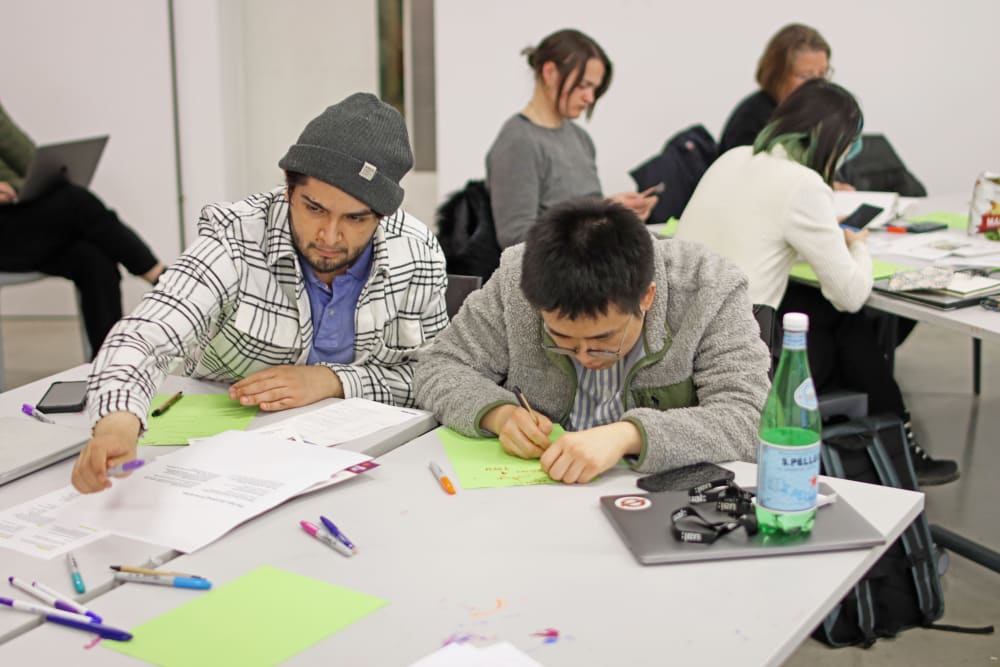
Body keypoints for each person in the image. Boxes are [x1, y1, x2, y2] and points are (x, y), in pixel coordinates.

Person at [72, 92, 448, 494]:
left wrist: (332, 381)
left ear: (382, 216)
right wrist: (116, 424)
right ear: (287, 190)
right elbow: (146, 334)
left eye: (356, 219)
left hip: (369, 462)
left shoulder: (418, 252)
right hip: (228, 459)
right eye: (315, 208)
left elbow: (435, 375)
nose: (330, 236)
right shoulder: (236, 238)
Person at [676, 79, 959, 486]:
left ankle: (889, 446)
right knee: (847, 321)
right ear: (834, 144)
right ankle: (896, 448)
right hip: (739, 351)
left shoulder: (733, 158)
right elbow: (851, 294)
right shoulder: (803, 185)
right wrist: (857, 244)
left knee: (821, 311)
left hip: (685, 338)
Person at [414, 197, 771, 484]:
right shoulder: (517, 281)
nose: (584, 356)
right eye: (562, 339)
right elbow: (440, 365)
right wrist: (500, 414)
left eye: (603, 340)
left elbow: (750, 418)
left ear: (646, 297)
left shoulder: (708, 288)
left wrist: (628, 436)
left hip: (659, 501)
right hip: (535, 499)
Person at [0, 101, 166, 354]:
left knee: (93, 258)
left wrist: (19, 185)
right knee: (75, 201)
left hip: (14, 223)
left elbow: (31, 162)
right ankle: (163, 279)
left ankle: (110, 365)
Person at [485, 28, 658, 250]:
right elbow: (516, 240)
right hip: (557, 279)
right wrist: (600, 215)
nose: (590, 98)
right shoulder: (518, 142)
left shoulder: (580, 138)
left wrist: (612, 211)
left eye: (594, 89)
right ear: (550, 73)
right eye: (583, 86)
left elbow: (579, 213)